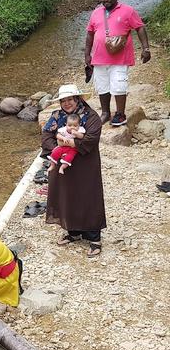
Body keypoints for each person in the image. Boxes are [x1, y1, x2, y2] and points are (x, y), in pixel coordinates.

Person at [42, 84, 107, 257]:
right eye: (63, 100)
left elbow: (91, 140)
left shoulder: (91, 116)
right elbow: (46, 137)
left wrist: (67, 144)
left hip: (86, 164)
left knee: (88, 196)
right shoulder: (56, 116)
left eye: (70, 99)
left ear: (77, 99)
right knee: (67, 196)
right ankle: (73, 232)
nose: (67, 103)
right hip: (64, 164)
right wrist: (58, 147)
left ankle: (94, 238)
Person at [85, 0, 150, 126]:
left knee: (119, 85)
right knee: (102, 86)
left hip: (120, 58)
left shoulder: (128, 11)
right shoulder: (96, 12)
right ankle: (105, 113)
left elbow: (140, 27)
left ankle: (120, 115)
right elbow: (90, 34)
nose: (105, 0)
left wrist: (146, 48)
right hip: (98, 57)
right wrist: (87, 55)